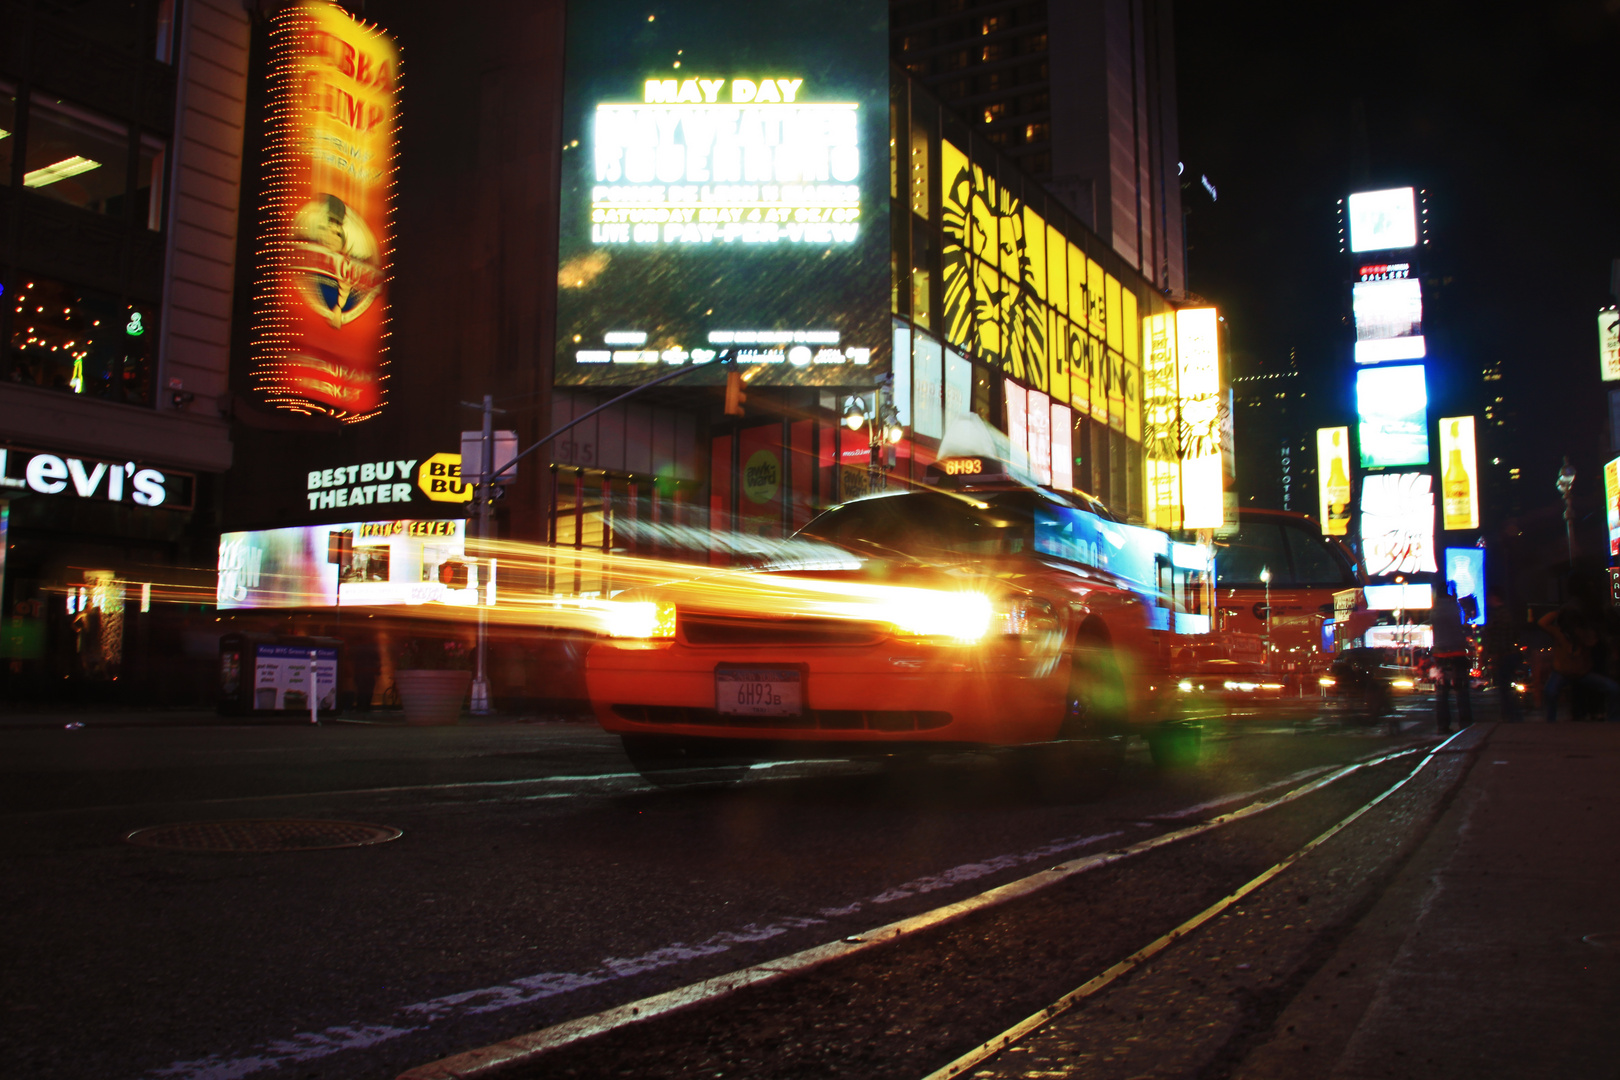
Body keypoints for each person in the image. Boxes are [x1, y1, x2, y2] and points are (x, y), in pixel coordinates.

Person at [1537, 606, 1620, 722]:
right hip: (1562, 672)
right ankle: (1551, 721)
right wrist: (1558, 612)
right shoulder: (1559, 634)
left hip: (1582, 672)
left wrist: (1581, 635)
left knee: (1614, 688)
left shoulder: (1585, 635)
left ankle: (1614, 719)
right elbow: (1542, 623)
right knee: (1550, 692)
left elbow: (1592, 641)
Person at [1431, 583, 1472, 734]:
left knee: (1442, 693)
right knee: (1461, 691)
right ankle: (1465, 723)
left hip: (1440, 655)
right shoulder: (1455, 607)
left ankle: (1442, 726)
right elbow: (1465, 623)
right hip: (1457, 653)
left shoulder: (1434, 610)